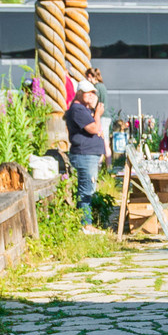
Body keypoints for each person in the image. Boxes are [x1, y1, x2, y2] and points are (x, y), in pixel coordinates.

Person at [66, 83, 108, 227]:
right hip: (85, 155)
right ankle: (86, 225)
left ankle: (87, 224)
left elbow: (97, 129)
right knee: (85, 192)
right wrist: (97, 114)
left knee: (88, 190)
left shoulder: (83, 109)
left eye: (92, 93)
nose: (90, 95)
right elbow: (93, 129)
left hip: (90, 154)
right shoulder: (77, 109)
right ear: (78, 93)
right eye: (86, 92)